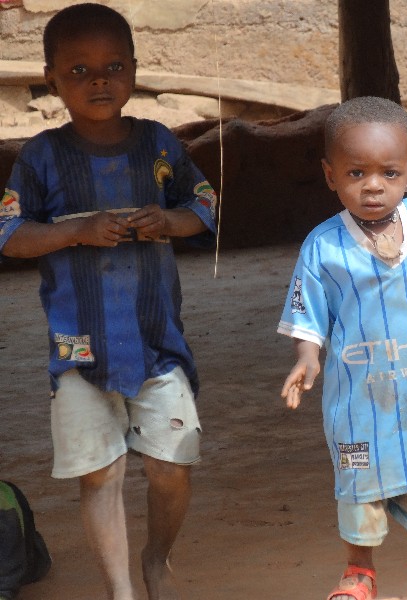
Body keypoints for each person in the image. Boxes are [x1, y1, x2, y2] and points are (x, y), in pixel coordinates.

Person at [0, 4, 217, 599]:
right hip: (79, 347)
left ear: (135, 70)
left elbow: (204, 205)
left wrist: (168, 221)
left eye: (113, 66)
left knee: (172, 466)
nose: (99, 80)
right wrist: (76, 230)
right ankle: (121, 590)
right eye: (79, 70)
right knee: (101, 473)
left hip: (156, 341)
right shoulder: (41, 157)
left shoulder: (158, 144)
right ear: (51, 80)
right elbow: (9, 234)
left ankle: (156, 558)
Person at [278, 96, 407, 600]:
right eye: (356, 173)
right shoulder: (324, 247)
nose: (373, 185)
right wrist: (307, 358)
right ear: (330, 175)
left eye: (389, 173)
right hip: (362, 400)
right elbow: (308, 314)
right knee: (358, 487)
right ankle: (359, 572)